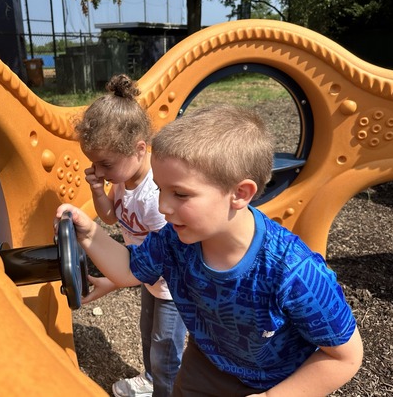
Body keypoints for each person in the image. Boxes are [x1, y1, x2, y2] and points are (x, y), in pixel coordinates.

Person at [56, 105, 363, 396]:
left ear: (239, 194)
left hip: (277, 381)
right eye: (161, 189)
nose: (163, 206)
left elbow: (345, 357)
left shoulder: (293, 271)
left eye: (180, 193)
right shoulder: (175, 241)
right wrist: (88, 232)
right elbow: (127, 269)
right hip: (205, 364)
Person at [74, 74, 187, 397]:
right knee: (147, 332)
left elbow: (169, 256)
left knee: (165, 347)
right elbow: (110, 215)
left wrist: (118, 279)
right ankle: (151, 380)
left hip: (169, 284)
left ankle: (166, 389)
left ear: (139, 149)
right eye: (94, 164)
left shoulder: (155, 197)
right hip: (147, 276)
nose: (97, 171)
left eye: (103, 164)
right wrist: (99, 189)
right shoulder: (122, 177)